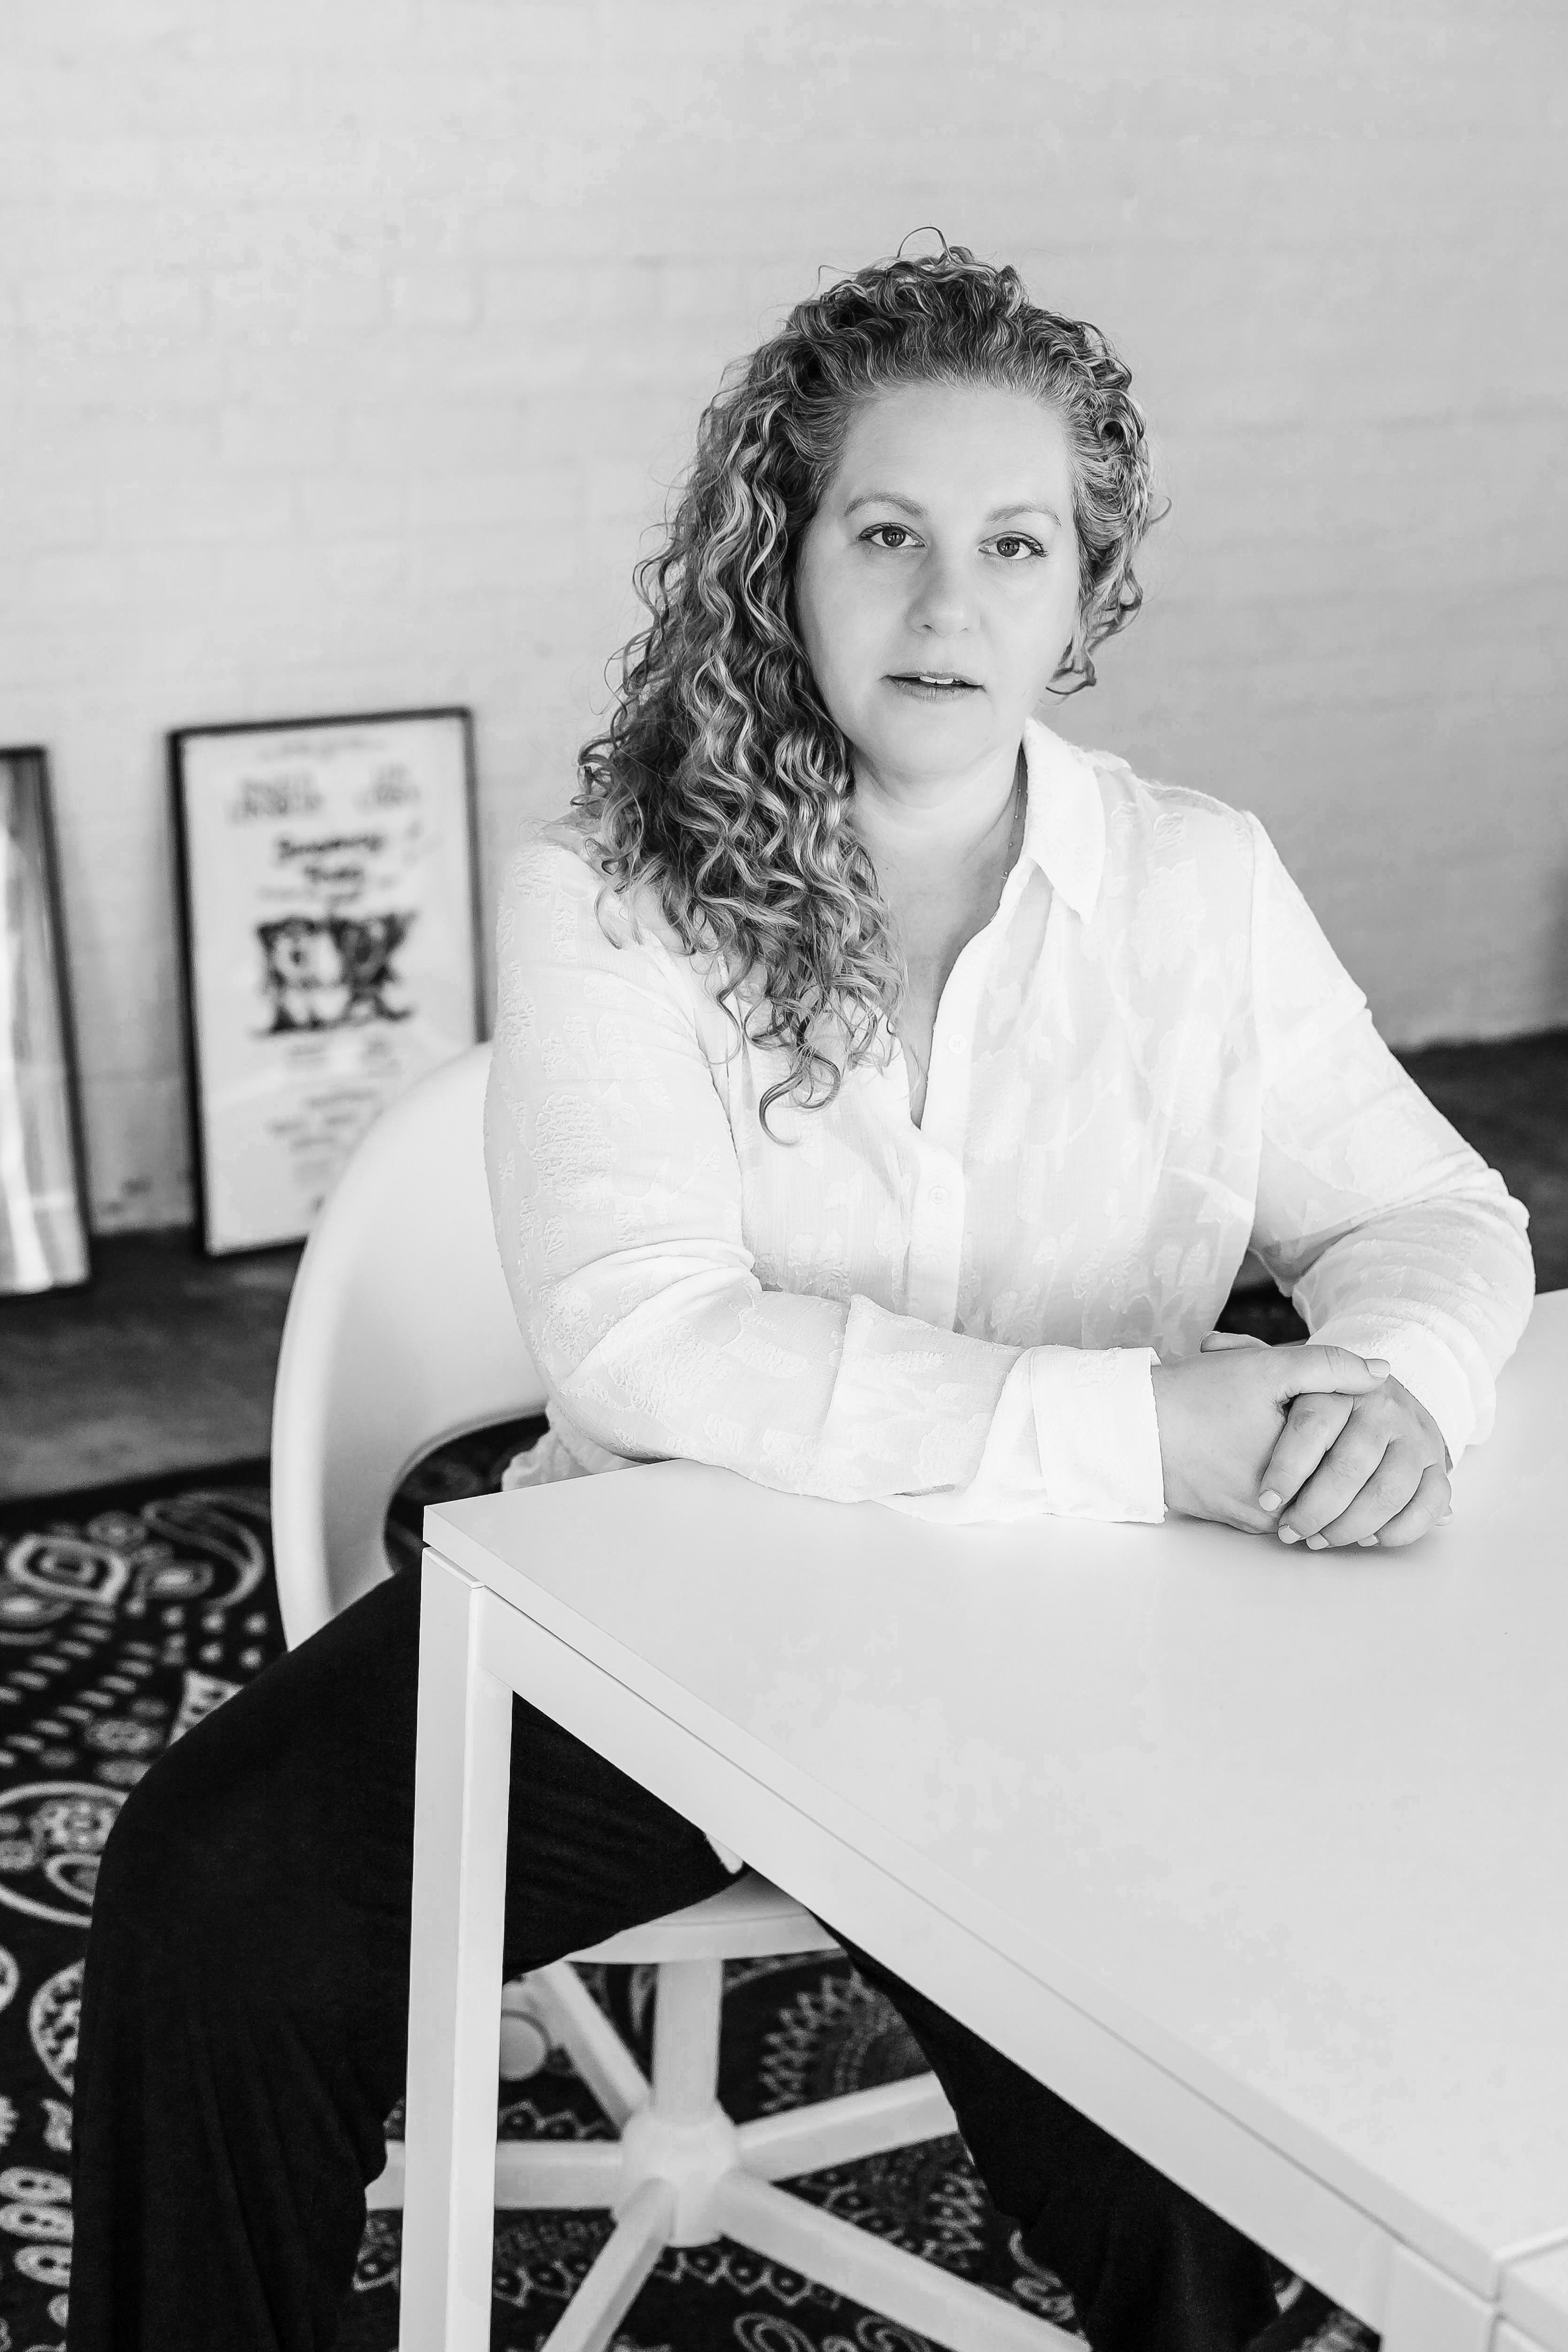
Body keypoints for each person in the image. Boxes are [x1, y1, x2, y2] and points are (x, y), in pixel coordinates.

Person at [69, 246, 1533, 2352]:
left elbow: (1434, 1210)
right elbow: (642, 1337)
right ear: (785, 554)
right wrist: (1142, 1426)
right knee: (206, 1900)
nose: (948, 607)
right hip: (661, 1630)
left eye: (1011, 543)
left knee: (1236, 2154)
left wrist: (1387, 1380)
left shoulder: (1196, 887)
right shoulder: (611, 885)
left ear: (1081, 585)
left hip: (1060, 1652)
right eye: (887, 534)